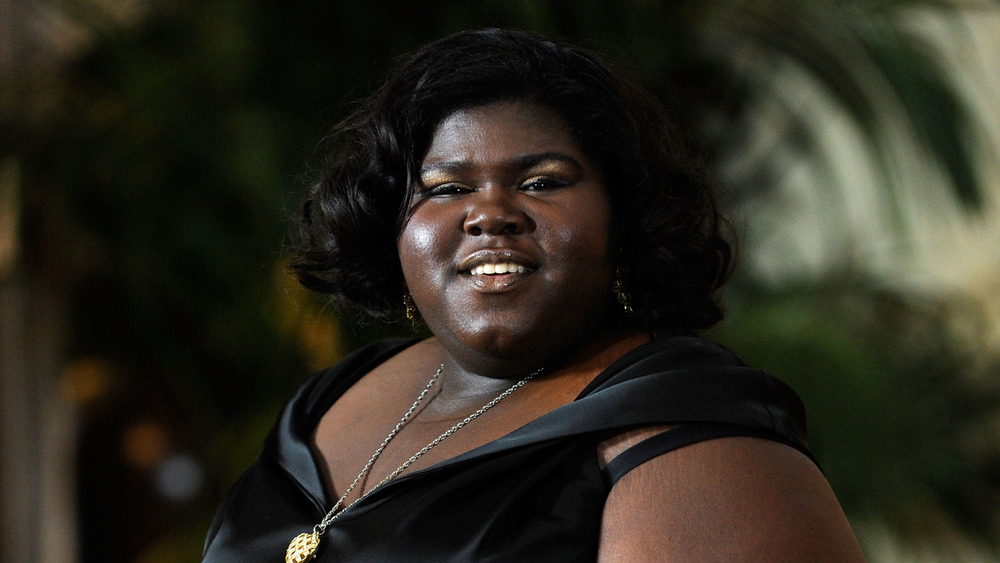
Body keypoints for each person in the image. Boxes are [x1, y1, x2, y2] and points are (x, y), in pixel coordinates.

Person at [202, 28, 865, 562]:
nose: (490, 213)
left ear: (624, 217)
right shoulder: (324, 400)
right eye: (447, 188)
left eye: (543, 182)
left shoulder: (689, 425)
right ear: (393, 223)